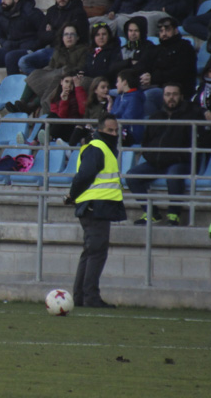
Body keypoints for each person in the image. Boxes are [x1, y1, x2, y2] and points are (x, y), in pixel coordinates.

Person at [64, 113, 126, 308]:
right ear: (99, 130)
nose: (114, 134)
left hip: (96, 205)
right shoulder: (98, 148)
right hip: (95, 206)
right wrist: (72, 195)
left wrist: (73, 196)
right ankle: (90, 297)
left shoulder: (100, 148)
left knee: (90, 253)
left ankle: (82, 296)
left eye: (116, 130)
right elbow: (84, 175)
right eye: (110, 130)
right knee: (96, 253)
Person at [128, 82, 203, 225]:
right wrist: (152, 157)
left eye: (174, 94)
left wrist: (176, 157)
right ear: (163, 97)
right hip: (157, 162)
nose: (171, 98)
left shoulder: (191, 116)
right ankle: (151, 213)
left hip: (180, 161)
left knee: (173, 175)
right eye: (168, 95)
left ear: (181, 96)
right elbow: (146, 142)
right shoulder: (156, 116)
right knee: (131, 176)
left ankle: (174, 215)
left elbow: (196, 143)